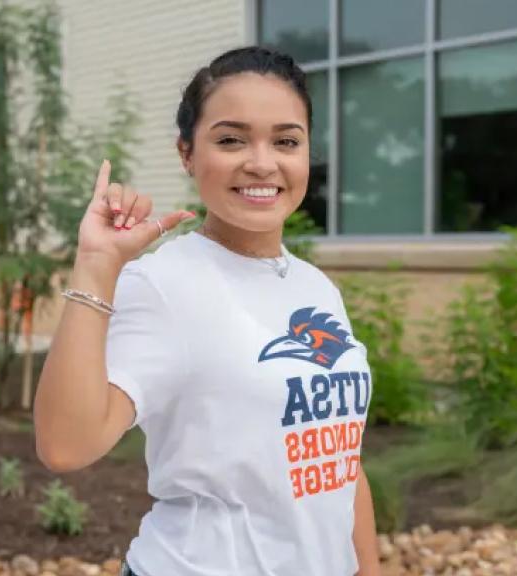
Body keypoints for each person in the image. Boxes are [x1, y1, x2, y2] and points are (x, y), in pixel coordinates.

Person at [33, 46, 381, 576]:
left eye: (286, 140)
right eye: (231, 139)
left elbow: (338, 463)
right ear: (187, 154)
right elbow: (66, 446)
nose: (262, 162)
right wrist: (96, 267)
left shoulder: (316, 289)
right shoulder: (165, 284)